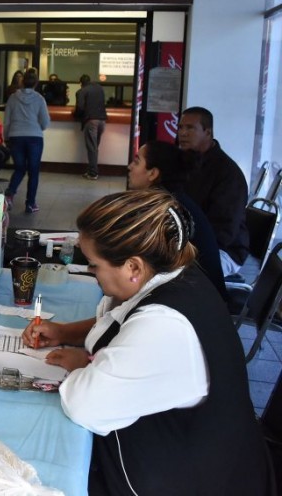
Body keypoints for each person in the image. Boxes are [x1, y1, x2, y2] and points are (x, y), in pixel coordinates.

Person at [23, 190, 273, 495]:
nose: (91, 273)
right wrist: (64, 332)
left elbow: (85, 405)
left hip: (188, 479)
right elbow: (120, 322)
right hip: (198, 456)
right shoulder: (174, 274)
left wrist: (85, 365)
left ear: (133, 268)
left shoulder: (164, 325)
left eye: (94, 265)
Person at [127, 140, 227, 300]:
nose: (130, 167)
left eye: (137, 161)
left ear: (153, 173)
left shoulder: (166, 210)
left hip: (198, 301)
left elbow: (142, 259)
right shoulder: (170, 198)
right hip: (192, 292)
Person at [178, 106, 249, 277]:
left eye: (190, 128)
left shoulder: (227, 173)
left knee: (172, 275)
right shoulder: (186, 162)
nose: (183, 133)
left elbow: (223, 232)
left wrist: (180, 249)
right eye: (180, 127)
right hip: (190, 242)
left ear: (208, 133)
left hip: (223, 251)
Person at [3, 68, 49, 213]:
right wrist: (36, 126)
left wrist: (6, 137)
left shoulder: (12, 98)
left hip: (16, 137)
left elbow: (7, 120)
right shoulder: (40, 99)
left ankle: (9, 196)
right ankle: (30, 203)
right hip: (35, 137)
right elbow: (45, 123)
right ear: (36, 83)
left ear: (22, 82)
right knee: (33, 171)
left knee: (20, 168)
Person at [74, 74, 107, 180]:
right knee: (95, 147)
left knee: (92, 148)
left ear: (81, 83)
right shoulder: (99, 88)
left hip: (91, 120)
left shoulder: (81, 91)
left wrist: (77, 116)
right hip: (102, 120)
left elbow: (80, 107)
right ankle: (91, 170)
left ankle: (93, 173)